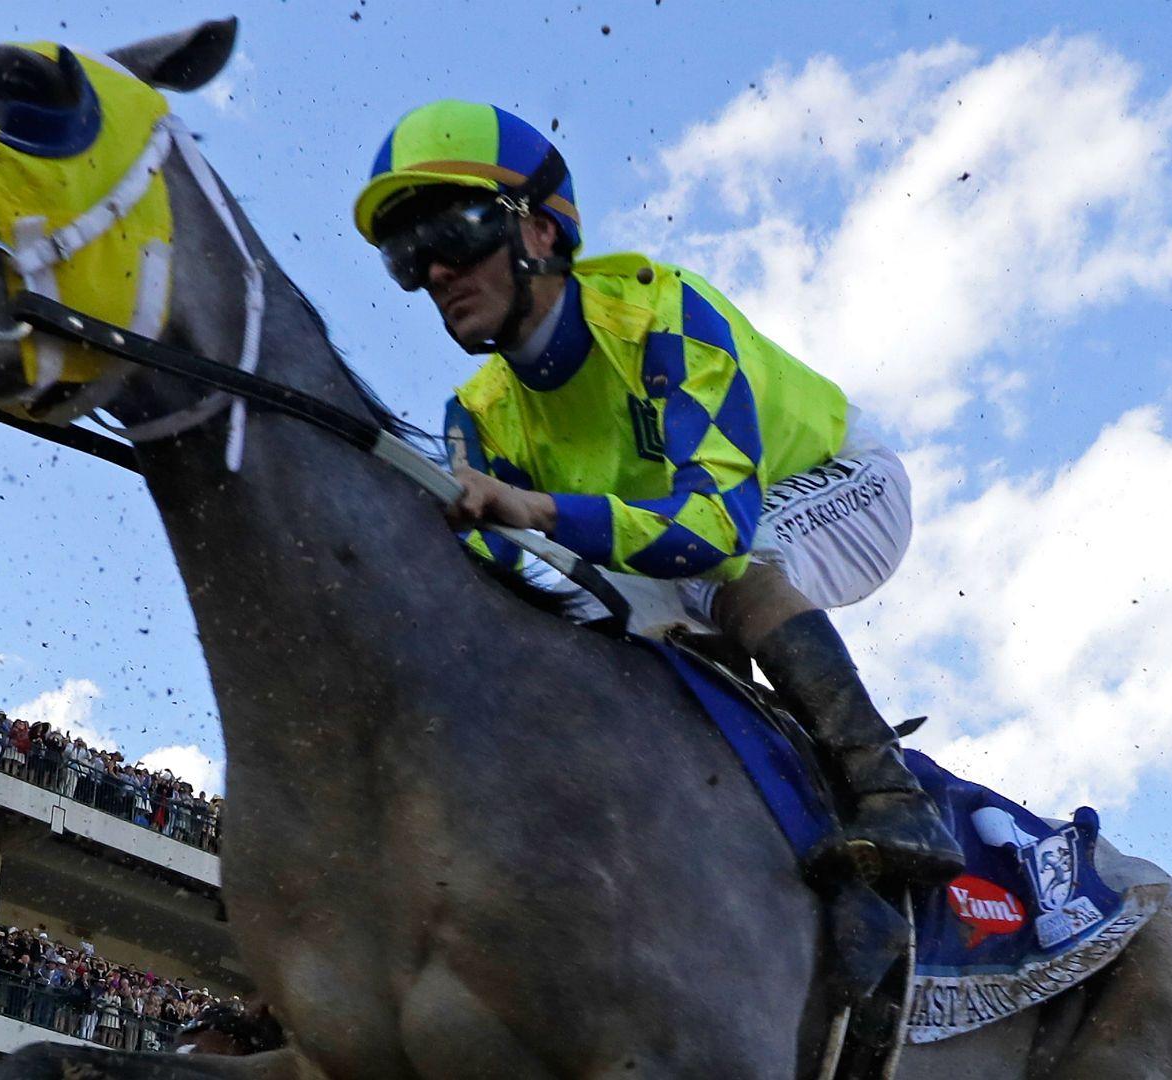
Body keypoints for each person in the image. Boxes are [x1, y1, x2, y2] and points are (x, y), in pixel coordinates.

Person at [352, 101, 962, 887]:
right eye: (407, 255)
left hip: (839, 486)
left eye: (452, 234)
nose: (434, 272)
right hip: (677, 541)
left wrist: (537, 510)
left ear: (539, 230)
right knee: (614, 650)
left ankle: (890, 793)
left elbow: (715, 531)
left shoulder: (665, 315)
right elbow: (473, 607)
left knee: (720, 574)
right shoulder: (474, 417)